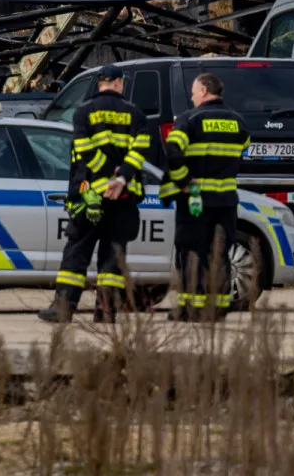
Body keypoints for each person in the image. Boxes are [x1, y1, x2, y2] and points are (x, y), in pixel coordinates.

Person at [39, 67, 149, 324]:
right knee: (114, 255)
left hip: (89, 195)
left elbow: (84, 149)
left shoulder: (83, 111)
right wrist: (120, 179)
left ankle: (63, 308)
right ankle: (107, 311)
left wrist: (106, 176)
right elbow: (139, 152)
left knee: (77, 252)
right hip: (123, 197)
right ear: (119, 83)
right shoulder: (136, 114)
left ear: (100, 83)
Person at [162, 72, 248, 322]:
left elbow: (173, 150)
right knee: (220, 253)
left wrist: (184, 181)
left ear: (203, 91)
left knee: (192, 252)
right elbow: (243, 147)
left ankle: (191, 308)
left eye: (193, 91)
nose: (191, 96)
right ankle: (219, 307)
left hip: (196, 200)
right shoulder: (238, 122)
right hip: (226, 201)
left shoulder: (190, 119)